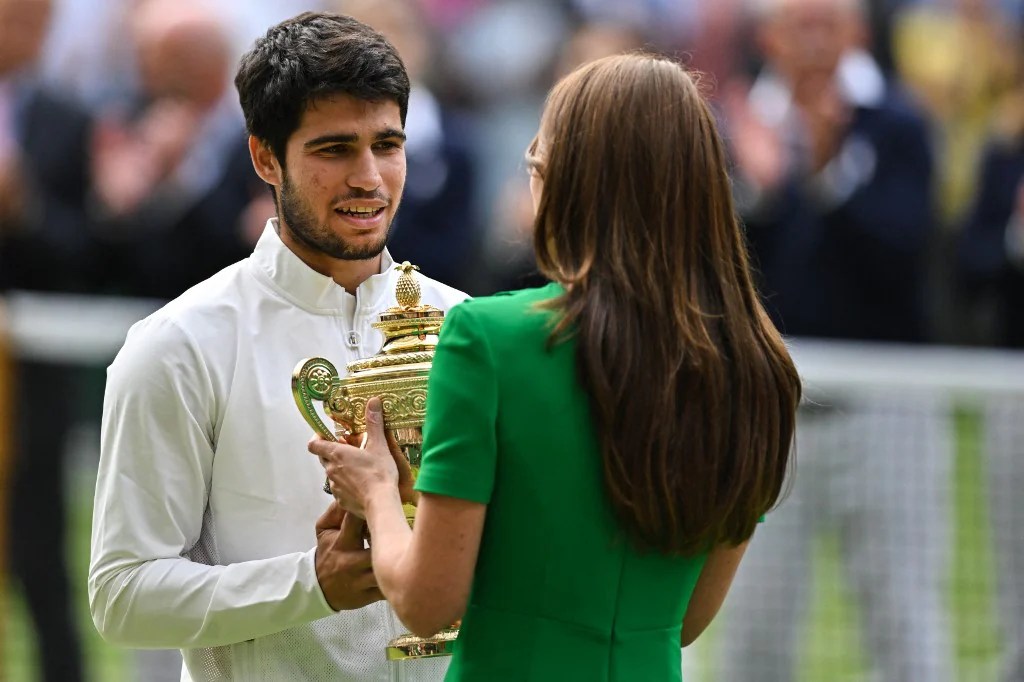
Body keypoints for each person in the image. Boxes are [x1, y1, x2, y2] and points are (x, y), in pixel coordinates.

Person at [310, 53, 802, 681]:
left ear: (565, 180)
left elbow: (427, 605)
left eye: (535, 163)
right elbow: (686, 621)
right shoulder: (758, 365)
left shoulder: (488, 338)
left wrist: (378, 491)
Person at [88, 12, 467, 681]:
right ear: (265, 156)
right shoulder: (179, 346)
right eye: (334, 149)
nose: (370, 178)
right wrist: (312, 586)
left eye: (387, 144)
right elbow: (123, 596)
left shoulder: (467, 332)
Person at [718, 1, 951, 680]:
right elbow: (736, 273)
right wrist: (766, 193)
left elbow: (900, 255)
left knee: (903, 618)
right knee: (754, 628)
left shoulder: (900, 124)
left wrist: (822, 176)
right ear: (769, 37)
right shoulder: (736, 128)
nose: (816, 40)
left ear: (857, 34)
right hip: (767, 414)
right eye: (800, 23)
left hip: (887, 410)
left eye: (830, 22)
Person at [0, 0, 94, 679]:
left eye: (35, 20)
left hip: (31, 370)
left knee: (40, 545)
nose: (19, 34)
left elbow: (83, 251)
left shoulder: (67, 119)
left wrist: (22, 207)